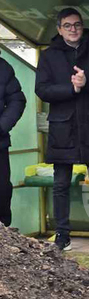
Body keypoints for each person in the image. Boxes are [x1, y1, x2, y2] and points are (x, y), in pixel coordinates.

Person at [35, 8, 89, 253]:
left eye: (77, 25)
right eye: (68, 25)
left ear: (83, 27)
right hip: (63, 130)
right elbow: (41, 89)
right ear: (59, 29)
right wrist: (70, 89)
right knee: (61, 185)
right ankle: (62, 235)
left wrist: (87, 84)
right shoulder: (49, 56)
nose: (73, 29)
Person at [0, 51, 26, 227]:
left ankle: (3, 235)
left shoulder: (3, 67)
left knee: (1, 189)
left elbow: (17, 99)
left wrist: (1, 126)